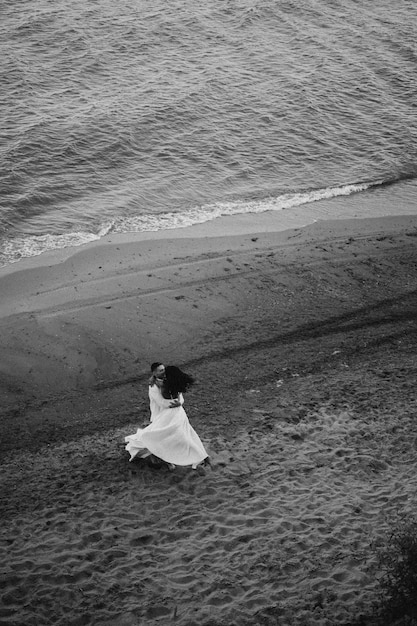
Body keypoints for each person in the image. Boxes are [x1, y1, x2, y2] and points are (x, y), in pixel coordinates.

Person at [125, 365, 208, 470]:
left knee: (164, 436)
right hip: (171, 413)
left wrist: (178, 403)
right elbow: (165, 401)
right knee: (180, 435)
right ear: (154, 373)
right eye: (161, 370)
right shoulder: (170, 383)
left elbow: (174, 399)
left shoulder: (165, 384)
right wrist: (178, 403)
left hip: (170, 414)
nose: (163, 372)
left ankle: (172, 458)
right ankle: (197, 456)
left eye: (164, 370)